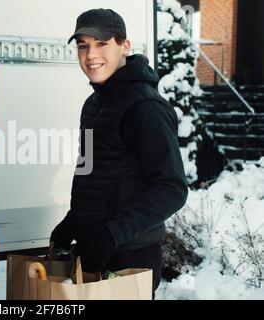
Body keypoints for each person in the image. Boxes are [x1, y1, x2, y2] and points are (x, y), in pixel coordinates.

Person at [49, 8, 188, 298]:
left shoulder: (146, 108)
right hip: (94, 248)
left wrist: (112, 234)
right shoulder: (93, 105)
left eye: (101, 44)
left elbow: (171, 188)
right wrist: (72, 221)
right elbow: (92, 174)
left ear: (125, 46)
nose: (90, 55)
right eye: (83, 45)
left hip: (131, 255)